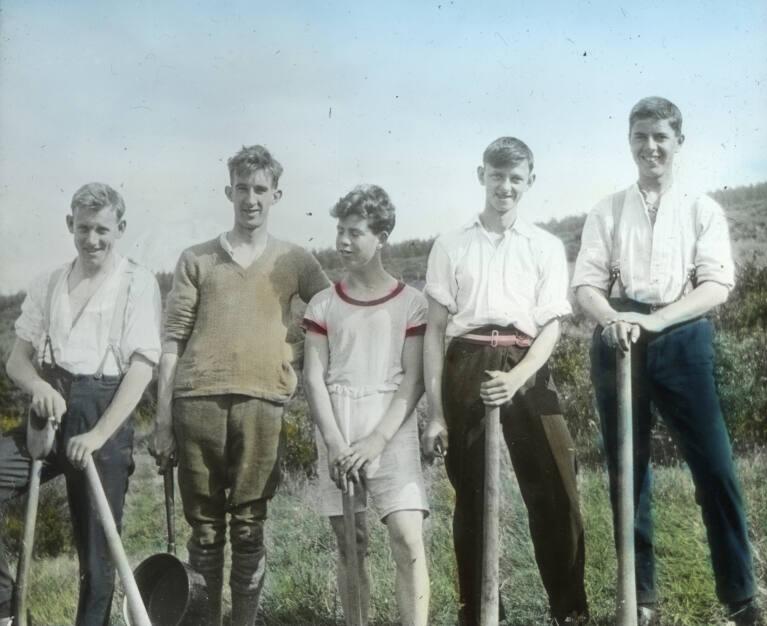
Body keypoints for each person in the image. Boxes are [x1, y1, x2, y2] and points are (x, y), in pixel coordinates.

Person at [572, 96, 767, 626]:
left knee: (716, 468)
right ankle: (639, 600)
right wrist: (612, 319)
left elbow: (717, 285)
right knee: (629, 472)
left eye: (660, 137)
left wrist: (657, 320)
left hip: (682, 338)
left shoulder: (701, 208)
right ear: (629, 141)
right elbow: (585, 284)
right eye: (640, 136)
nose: (650, 147)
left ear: (678, 142)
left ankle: (741, 600)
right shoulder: (606, 209)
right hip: (618, 337)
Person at [150, 144, 329, 626]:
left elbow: (334, 314)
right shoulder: (196, 259)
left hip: (262, 404)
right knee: (205, 533)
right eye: (243, 189)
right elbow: (171, 343)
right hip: (196, 404)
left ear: (277, 195)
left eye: (261, 190)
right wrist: (163, 420)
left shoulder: (296, 260)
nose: (251, 199)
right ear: (229, 191)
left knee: (250, 527)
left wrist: (292, 354)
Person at [422, 137, 589, 626]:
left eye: (516, 178)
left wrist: (517, 377)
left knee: (558, 486)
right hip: (467, 361)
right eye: (497, 176)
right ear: (482, 176)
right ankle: (479, 613)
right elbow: (434, 330)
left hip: (526, 361)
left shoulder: (545, 246)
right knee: (471, 496)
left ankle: (570, 612)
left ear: (530, 182)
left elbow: (552, 324)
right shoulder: (450, 244)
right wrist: (435, 412)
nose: (506, 187)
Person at [0, 182, 162, 626]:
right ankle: (6, 609)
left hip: (102, 411)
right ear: (70, 225)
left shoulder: (136, 283)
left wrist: (96, 435)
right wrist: (38, 386)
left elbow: (142, 369)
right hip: (49, 409)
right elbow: (17, 360)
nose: (92, 239)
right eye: (84, 228)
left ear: (121, 228)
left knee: (97, 554)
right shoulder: (49, 282)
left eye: (103, 230)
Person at [303, 184, 430, 626]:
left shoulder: (411, 303)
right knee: (350, 544)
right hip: (338, 426)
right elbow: (313, 377)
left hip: (390, 429)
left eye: (355, 232)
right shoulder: (324, 303)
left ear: (382, 236)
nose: (342, 241)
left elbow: (413, 380)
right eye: (340, 230)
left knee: (407, 539)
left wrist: (377, 439)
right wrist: (336, 443)